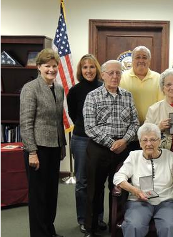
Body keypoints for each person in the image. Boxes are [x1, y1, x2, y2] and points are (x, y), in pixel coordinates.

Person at [83, 60, 139, 237]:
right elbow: (90, 127)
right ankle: (91, 228)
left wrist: (124, 141)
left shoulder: (128, 96)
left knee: (120, 189)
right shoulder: (92, 96)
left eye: (118, 73)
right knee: (94, 190)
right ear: (103, 75)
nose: (115, 76)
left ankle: (118, 226)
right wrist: (110, 143)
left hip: (123, 149)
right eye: (111, 73)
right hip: (99, 149)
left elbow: (135, 123)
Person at [113, 123, 173, 237]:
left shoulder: (170, 156)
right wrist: (135, 191)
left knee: (168, 227)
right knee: (134, 226)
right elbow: (118, 177)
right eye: (144, 140)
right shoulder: (134, 156)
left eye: (153, 140)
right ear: (140, 143)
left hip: (166, 201)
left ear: (159, 141)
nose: (149, 144)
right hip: (139, 201)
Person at [20, 48, 67, 237]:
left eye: (54, 66)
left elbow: (58, 120)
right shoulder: (30, 88)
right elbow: (26, 123)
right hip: (37, 149)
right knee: (38, 196)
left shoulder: (59, 88)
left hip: (54, 148)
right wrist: (32, 151)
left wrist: (62, 144)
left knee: (51, 194)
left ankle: (49, 230)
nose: (51, 69)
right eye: (47, 66)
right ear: (39, 67)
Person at [66, 54, 107, 233]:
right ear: (80, 70)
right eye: (85, 67)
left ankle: (97, 218)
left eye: (91, 67)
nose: (88, 70)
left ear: (97, 69)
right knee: (82, 181)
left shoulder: (103, 87)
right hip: (82, 139)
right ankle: (83, 218)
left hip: (100, 140)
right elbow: (74, 114)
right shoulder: (75, 90)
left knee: (99, 181)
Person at [120, 45, 164, 125]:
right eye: (137, 57)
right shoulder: (121, 78)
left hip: (152, 126)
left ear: (149, 61)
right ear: (132, 60)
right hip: (128, 126)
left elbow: (162, 104)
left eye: (144, 57)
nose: (141, 60)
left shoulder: (159, 78)